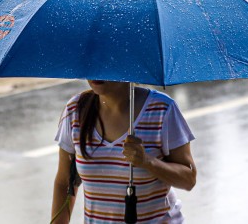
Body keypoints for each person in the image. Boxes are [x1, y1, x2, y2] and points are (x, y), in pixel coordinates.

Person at [52, 80, 196, 223]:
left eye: (106, 62)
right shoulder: (75, 111)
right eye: (93, 62)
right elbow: (65, 182)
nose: (96, 73)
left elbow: (188, 179)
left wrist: (148, 161)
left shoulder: (162, 109)